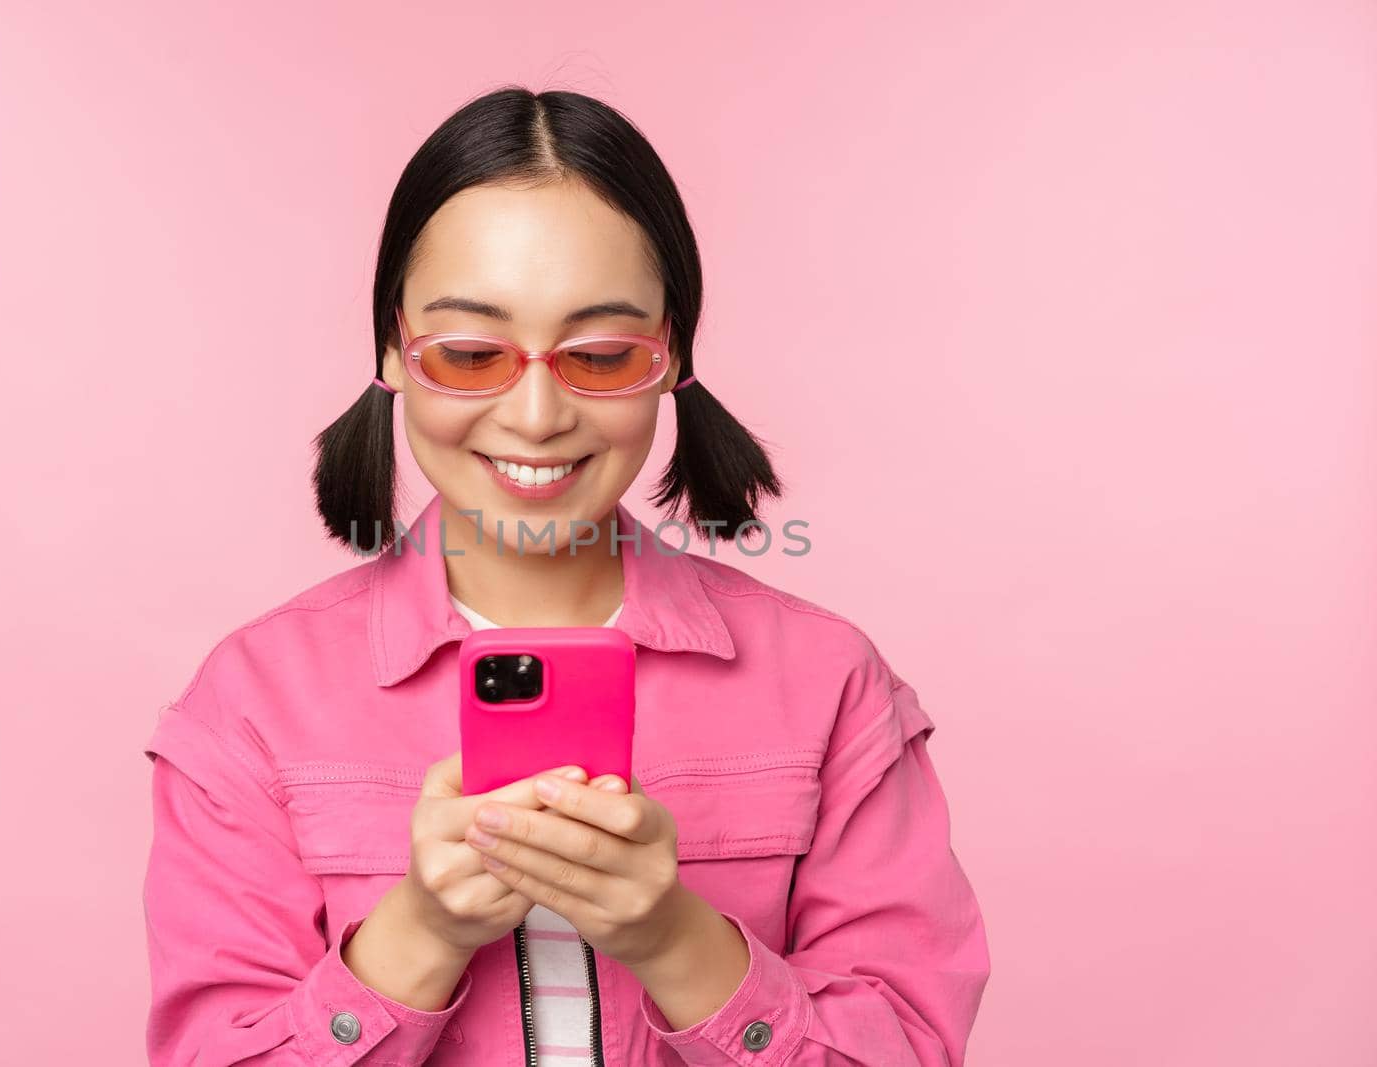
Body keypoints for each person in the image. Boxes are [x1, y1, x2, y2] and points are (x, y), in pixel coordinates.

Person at [141, 85, 990, 1066]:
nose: (538, 414)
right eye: (467, 354)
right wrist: (418, 934)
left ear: (670, 354)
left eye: (598, 354)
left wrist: (674, 937)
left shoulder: (829, 683)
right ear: (391, 351)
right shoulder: (250, 704)